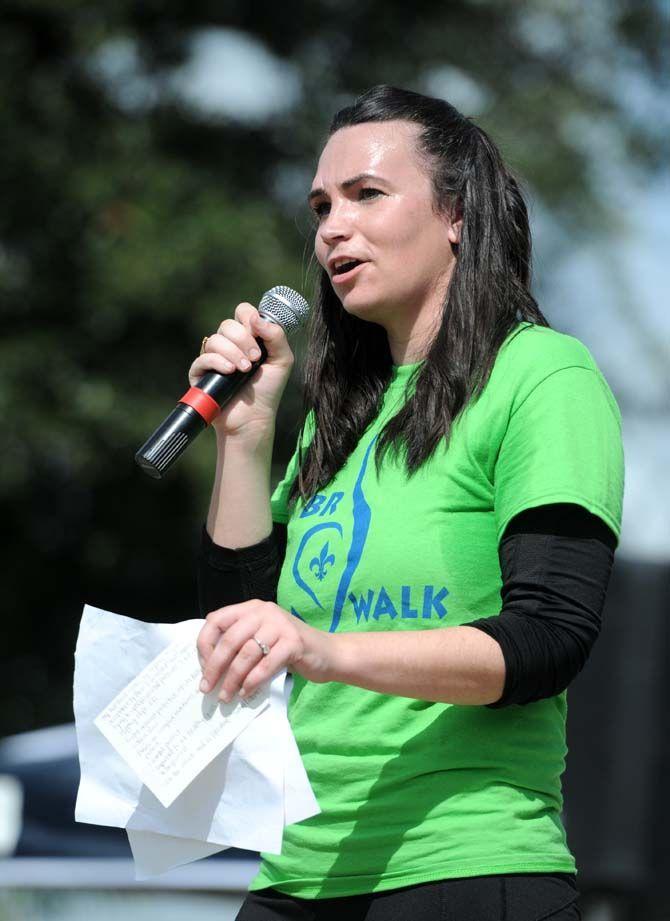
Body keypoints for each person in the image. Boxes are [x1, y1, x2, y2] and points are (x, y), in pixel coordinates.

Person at [191, 85, 624, 921]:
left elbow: (548, 639)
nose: (331, 228)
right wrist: (243, 438)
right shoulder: (342, 411)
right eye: (320, 206)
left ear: (457, 215)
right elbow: (242, 633)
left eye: (366, 194)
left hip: (462, 861)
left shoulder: (542, 375)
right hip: (299, 871)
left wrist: (329, 651)